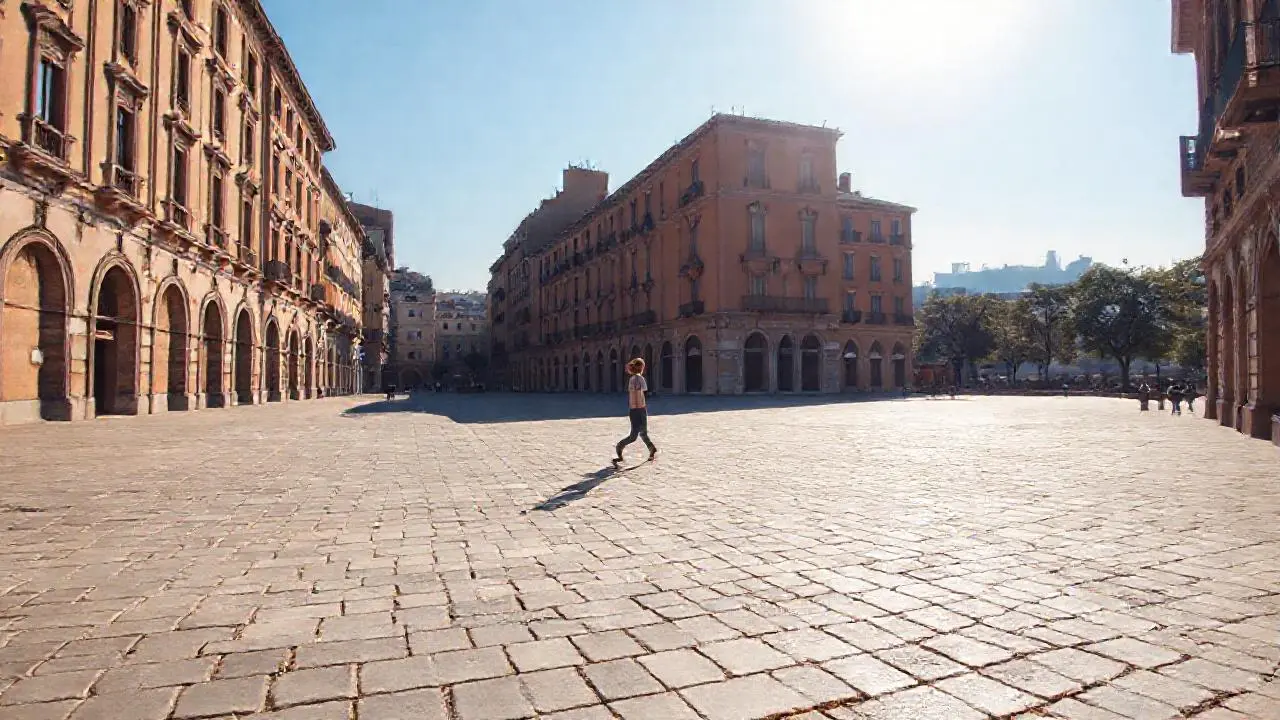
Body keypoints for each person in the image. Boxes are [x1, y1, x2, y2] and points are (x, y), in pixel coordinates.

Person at [613, 358, 657, 465]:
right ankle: (620, 446)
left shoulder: (632, 379)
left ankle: (652, 450)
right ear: (641, 367)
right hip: (640, 409)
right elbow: (645, 393)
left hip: (633, 409)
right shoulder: (640, 378)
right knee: (637, 435)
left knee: (641, 433)